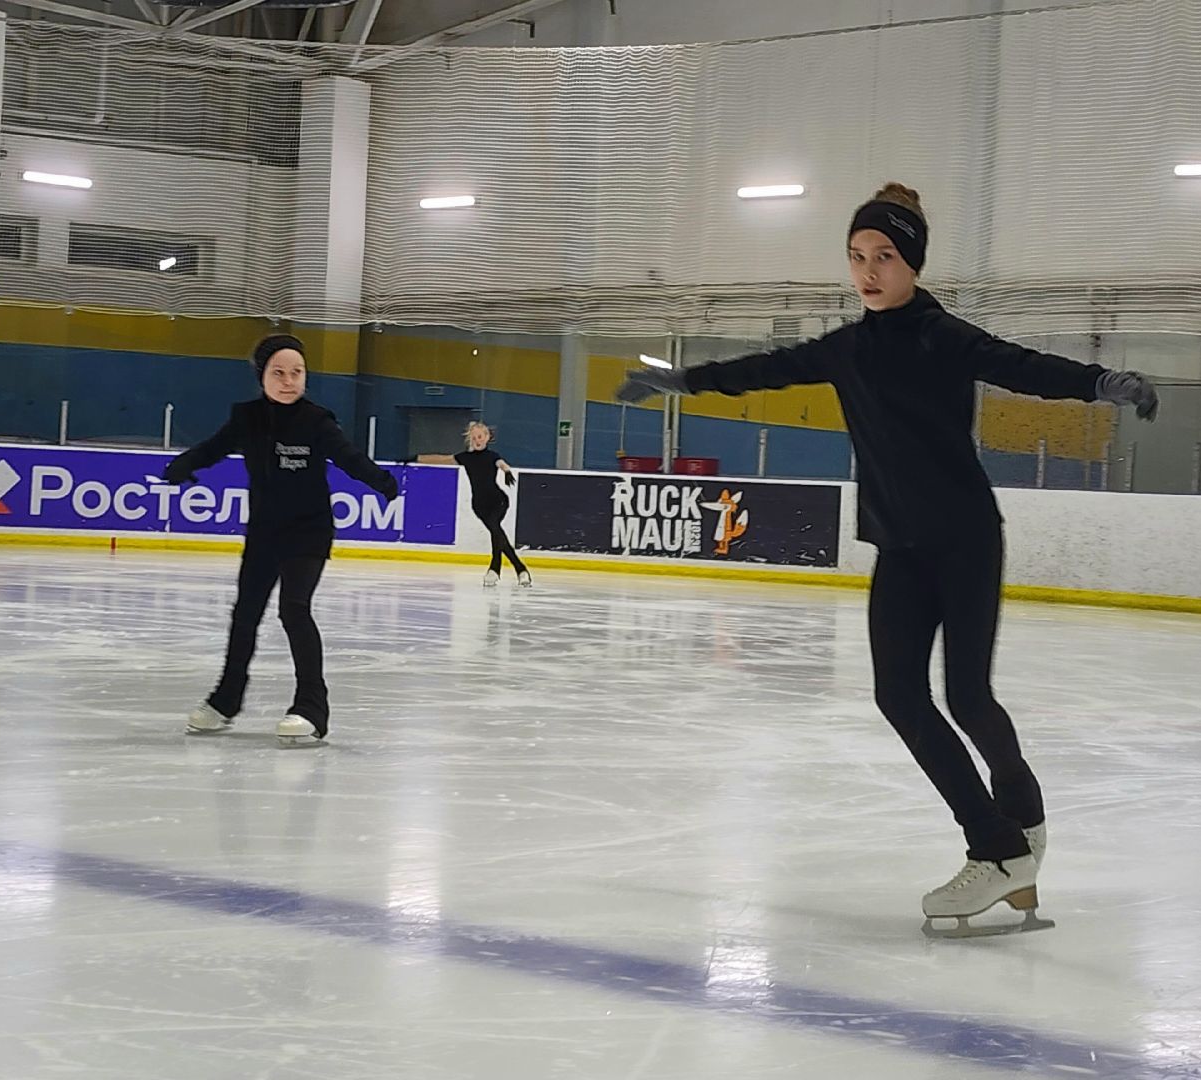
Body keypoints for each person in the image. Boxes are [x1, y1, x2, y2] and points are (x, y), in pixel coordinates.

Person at [616, 182, 1159, 936]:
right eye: (857, 257)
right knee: (899, 697)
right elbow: (764, 369)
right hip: (898, 547)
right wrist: (680, 378)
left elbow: (1023, 366)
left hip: (965, 538)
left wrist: (1102, 383)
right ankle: (1000, 846)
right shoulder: (847, 347)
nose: (868, 271)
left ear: (913, 265)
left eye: (885, 256)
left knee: (969, 698)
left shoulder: (945, 336)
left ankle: (1016, 823)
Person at [163, 334, 398, 747]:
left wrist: (382, 481)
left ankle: (312, 708)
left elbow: (348, 457)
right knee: (246, 614)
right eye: (278, 373)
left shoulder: (317, 420)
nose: (288, 381)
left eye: (297, 373)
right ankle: (225, 701)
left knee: (294, 608)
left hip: (309, 531)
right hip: (265, 533)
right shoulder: (247, 418)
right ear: (262, 376)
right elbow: (214, 448)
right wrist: (181, 466)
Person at [413, 420, 532, 588]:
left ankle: (499, 568)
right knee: (496, 532)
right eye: (474, 437)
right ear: (470, 438)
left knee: (495, 528)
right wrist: (418, 458)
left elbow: (501, 463)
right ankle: (517, 569)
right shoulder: (465, 458)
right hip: (479, 506)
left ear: (487, 437)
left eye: (481, 436)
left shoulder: (492, 456)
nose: (478, 440)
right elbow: (443, 459)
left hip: (498, 501)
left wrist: (506, 471)